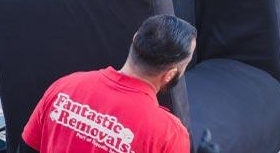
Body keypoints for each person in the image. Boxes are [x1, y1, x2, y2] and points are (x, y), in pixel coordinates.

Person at [18, 15, 196, 153]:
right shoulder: (169, 135)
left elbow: (26, 148)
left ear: (135, 39)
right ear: (170, 74)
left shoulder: (65, 86)